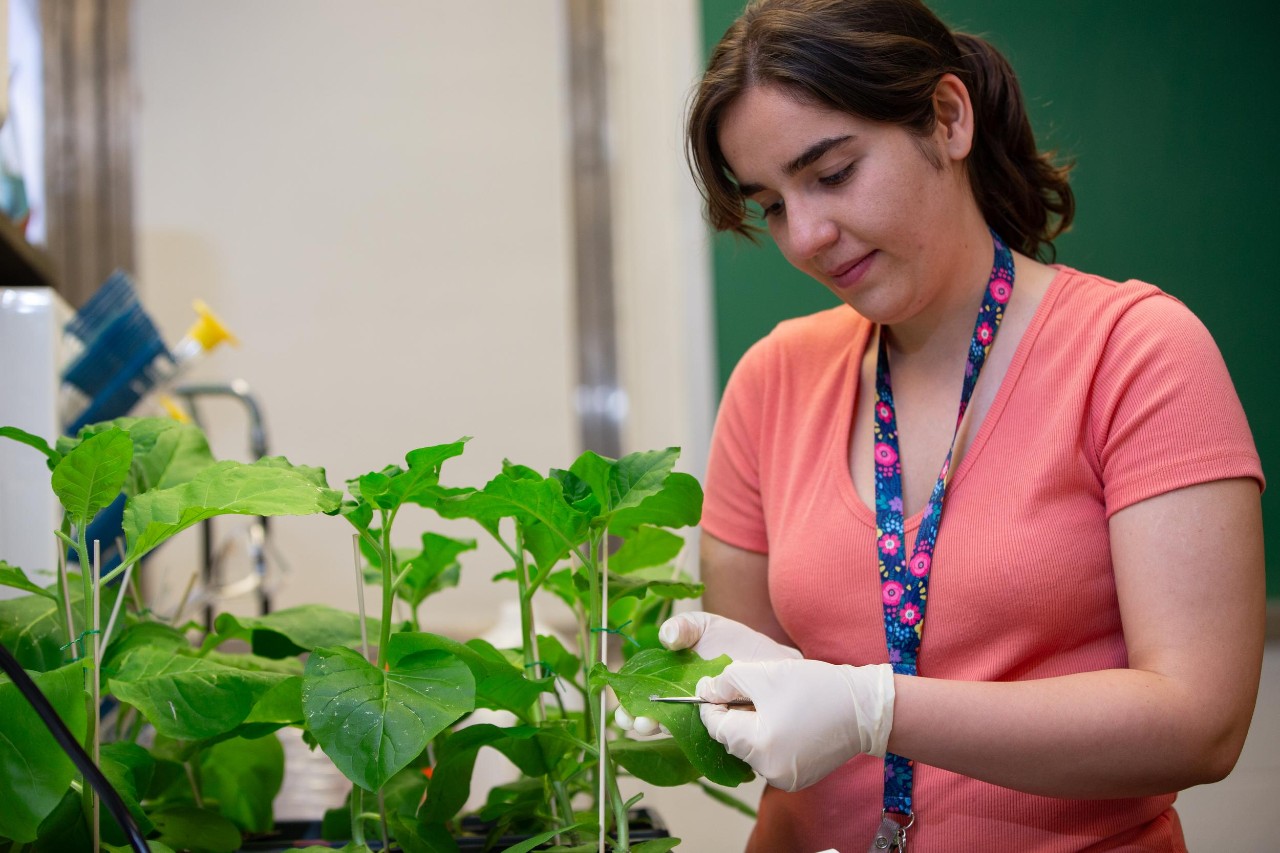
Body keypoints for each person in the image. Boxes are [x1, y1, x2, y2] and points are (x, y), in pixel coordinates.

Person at [635, 0, 1265, 849]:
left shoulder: (1135, 353)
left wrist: (877, 709)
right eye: (771, 205)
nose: (808, 236)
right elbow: (763, 705)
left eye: (831, 172)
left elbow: (1200, 723)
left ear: (948, 117)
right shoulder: (772, 380)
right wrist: (680, 691)